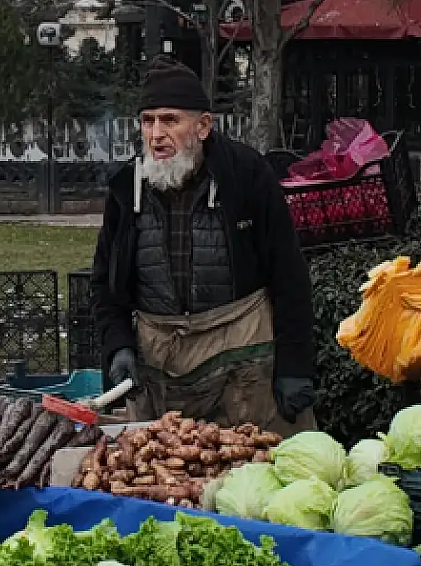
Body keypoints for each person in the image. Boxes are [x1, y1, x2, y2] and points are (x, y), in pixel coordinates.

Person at [88, 56, 317, 432]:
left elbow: (289, 275)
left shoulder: (247, 175)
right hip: (159, 369)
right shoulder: (126, 187)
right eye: (148, 121)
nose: (156, 134)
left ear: (203, 125)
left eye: (170, 120)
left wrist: (294, 366)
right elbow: (105, 282)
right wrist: (118, 345)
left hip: (243, 368)